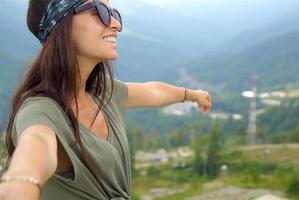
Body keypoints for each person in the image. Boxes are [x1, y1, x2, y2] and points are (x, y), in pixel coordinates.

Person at [0, 0, 211, 199]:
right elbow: (36, 143)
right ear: (62, 22)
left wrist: (192, 95)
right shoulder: (40, 109)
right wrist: (20, 182)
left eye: (113, 13)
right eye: (99, 11)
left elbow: (152, 91)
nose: (117, 24)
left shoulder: (102, 92)